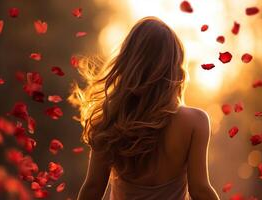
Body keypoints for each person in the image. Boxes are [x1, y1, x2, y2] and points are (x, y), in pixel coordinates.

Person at [74, 16, 219, 200]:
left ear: (128, 63)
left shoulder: (111, 118)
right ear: (175, 67)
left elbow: (93, 188)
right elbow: (200, 190)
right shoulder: (194, 122)